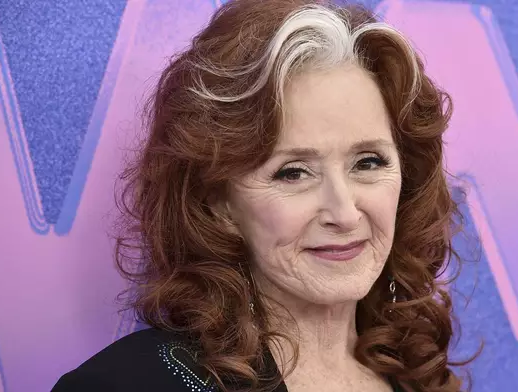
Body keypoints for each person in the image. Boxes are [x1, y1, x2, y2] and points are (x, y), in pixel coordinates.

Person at [52, 0, 473, 391]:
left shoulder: (419, 373)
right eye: (293, 173)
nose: (344, 213)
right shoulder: (130, 383)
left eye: (368, 162)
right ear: (218, 202)